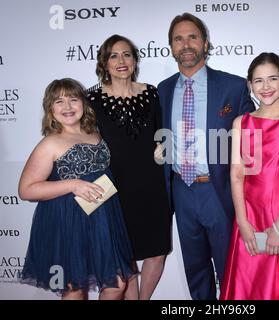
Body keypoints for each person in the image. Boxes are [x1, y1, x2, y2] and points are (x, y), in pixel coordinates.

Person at [157, 13, 255, 299]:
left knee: (231, 269)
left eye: (192, 37)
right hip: (181, 191)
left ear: (205, 43)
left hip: (220, 190)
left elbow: (252, 145)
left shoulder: (234, 87)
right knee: (196, 271)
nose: (185, 44)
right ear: (171, 47)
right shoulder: (161, 91)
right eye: (178, 39)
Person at [18, 78, 136, 300]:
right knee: (74, 289)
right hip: (69, 223)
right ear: (50, 110)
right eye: (59, 101)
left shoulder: (95, 133)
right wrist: (73, 184)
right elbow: (26, 190)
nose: (68, 107)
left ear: (83, 103)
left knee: (118, 284)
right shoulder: (50, 143)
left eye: (73, 99)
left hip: (104, 219)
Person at [220, 53, 279, 300]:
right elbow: (237, 173)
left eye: (272, 78)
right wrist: (241, 220)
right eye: (258, 81)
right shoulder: (242, 122)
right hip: (249, 215)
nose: (266, 87)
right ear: (250, 85)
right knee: (249, 285)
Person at [87, 34, 171, 300]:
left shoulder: (151, 92)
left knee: (157, 252)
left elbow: (161, 133)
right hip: (114, 188)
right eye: (114, 55)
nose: (121, 61)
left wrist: (163, 150)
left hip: (152, 185)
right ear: (104, 62)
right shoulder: (92, 99)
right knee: (126, 256)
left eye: (127, 55)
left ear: (135, 60)